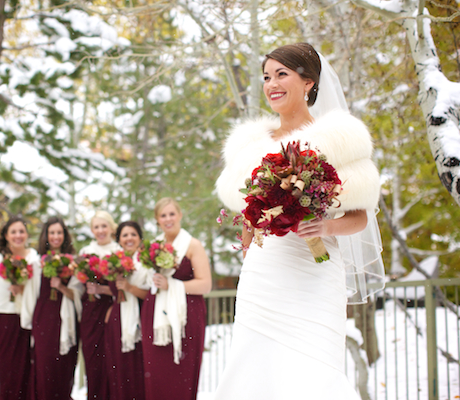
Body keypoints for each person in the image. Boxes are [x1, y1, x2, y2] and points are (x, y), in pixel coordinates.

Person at [214, 43, 384, 399]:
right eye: (266, 76)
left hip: (315, 268)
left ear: (308, 82)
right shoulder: (250, 147)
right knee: (253, 363)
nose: (271, 83)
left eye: (281, 74)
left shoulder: (339, 141)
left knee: (315, 368)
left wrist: (325, 226)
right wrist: (251, 233)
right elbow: (248, 214)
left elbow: (360, 217)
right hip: (264, 273)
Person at [140, 198, 212, 400]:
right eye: (163, 215)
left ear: (180, 215)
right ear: (157, 220)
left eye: (172, 214)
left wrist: (171, 285)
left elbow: (205, 284)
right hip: (155, 317)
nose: (168, 219)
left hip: (185, 316)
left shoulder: (192, 245)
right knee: (156, 375)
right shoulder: (154, 246)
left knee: (182, 372)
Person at [21, 217, 83, 400]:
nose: (56, 236)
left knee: (64, 368)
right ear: (46, 236)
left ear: (65, 235)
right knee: (45, 368)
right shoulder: (37, 263)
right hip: (44, 321)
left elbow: (78, 294)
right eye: (52, 233)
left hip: (67, 321)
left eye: (59, 232)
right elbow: (31, 294)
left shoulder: (73, 263)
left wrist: (62, 287)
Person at [0, 216, 41, 400]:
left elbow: (38, 285)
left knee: (28, 370)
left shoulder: (34, 258)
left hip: (30, 319)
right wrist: (14, 288)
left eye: (21, 231)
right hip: (4, 320)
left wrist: (25, 288)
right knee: (8, 371)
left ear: (27, 234)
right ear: (6, 235)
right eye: (13, 232)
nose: (18, 235)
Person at [79, 211, 121, 400]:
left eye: (104, 226)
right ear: (92, 230)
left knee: (113, 360)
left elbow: (123, 287)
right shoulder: (85, 253)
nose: (101, 230)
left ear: (112, 228)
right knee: (93, 362)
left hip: (113, 309)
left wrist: (103, 290)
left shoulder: (119, 252)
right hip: (90, 312)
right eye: (96, 227)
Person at [104, 221, 149, 400]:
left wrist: (129, 287)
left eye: (133, 234)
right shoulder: (113, 261)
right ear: (119, 239)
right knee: (119, 369)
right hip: (118, 320)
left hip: (142, 319)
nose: (129, 238)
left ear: (139, 238)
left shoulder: (146, 261)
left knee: (139, 368)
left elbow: (150, 295)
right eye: (125, 235)